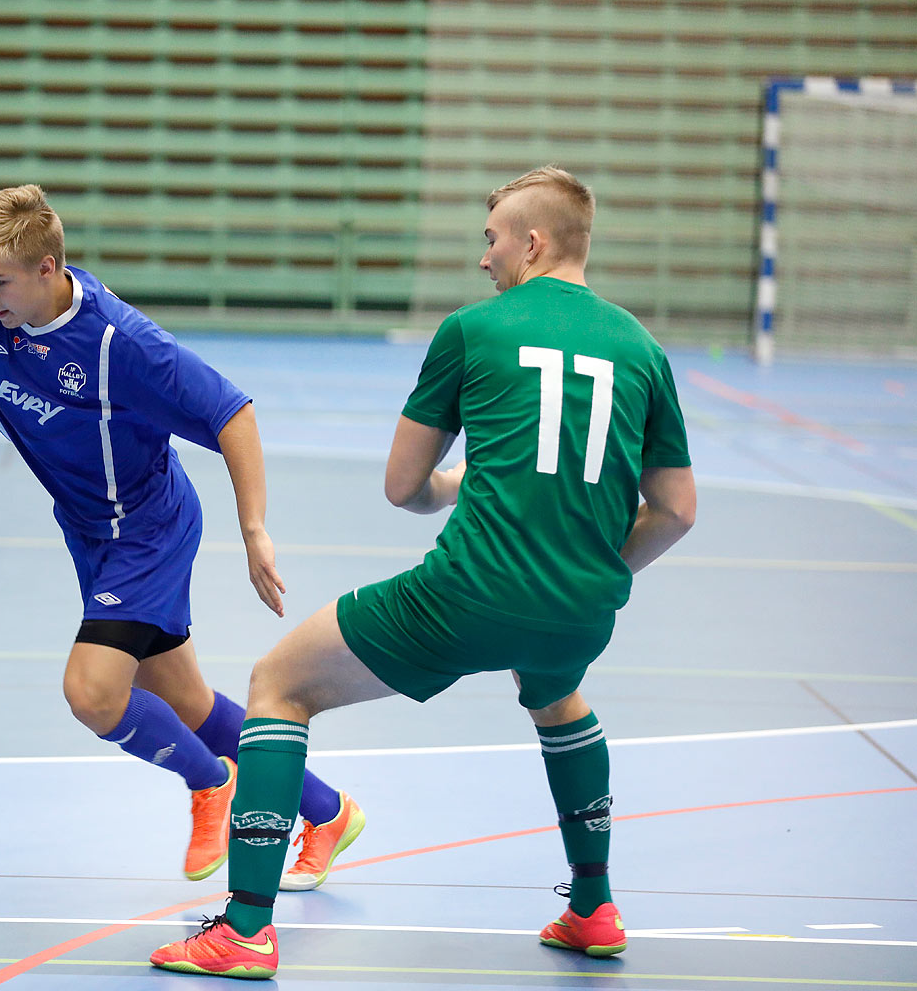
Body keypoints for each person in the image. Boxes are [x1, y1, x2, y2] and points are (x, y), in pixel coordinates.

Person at [150, 165, 697, 979]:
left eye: (494, 239)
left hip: (467, 594)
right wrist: (591, 570)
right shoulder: (643, 349)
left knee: (278, 684)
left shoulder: (474, 331)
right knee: (556, 694)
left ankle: (245, 928)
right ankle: (594, 907)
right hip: (583, 607)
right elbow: (678, 509)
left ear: (534, 242)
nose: (486, 259)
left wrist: (450, 486)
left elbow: (403, 486)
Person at [0, 185, 364, 887]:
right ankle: (329, 812)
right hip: (88, 529)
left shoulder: (121, 344)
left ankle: (212, 784)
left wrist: (254, 528)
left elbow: (234, 413)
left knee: (93, 693)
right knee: (187, 704)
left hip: (148, 530)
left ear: (47, 268)